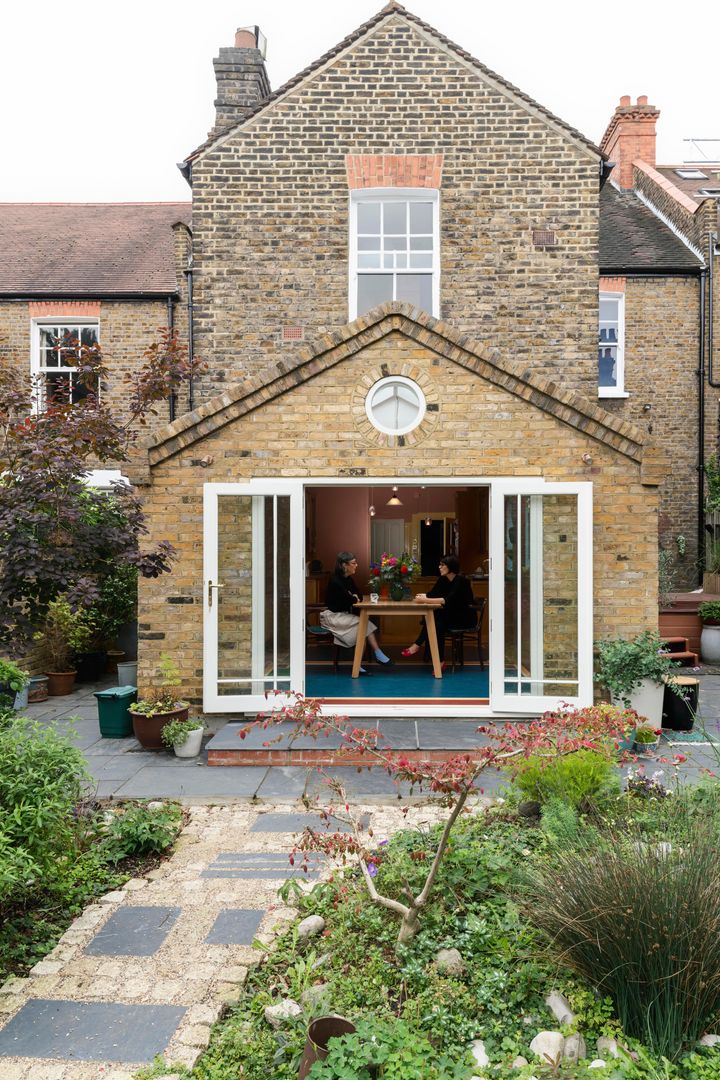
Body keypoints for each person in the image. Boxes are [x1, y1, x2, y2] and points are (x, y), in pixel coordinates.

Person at [320, 551, 392, 668]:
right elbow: (352, 600)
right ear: (344, 565)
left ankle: (359, 665)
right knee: (364, 624)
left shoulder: (348, 579)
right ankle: (377, 654)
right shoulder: (335, 581)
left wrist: (352, 596)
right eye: (353, 563)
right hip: (332, 617)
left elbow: (359, 596)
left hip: (344, 616)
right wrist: (352, 597)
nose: (356, 565)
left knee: (362, 629)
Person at [401, 554, 475, 664]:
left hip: (463, 618)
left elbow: (446, 600)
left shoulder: (462, 581)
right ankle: (440, 662)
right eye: (439, 565)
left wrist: (424, 600)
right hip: (448, 617)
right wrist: (421, 596)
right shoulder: (443, 580)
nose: (439, 567)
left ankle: (417, 645)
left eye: (442, 565)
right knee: (437, 624)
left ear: (451, 566)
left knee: (434, 620)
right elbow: (432, 594)